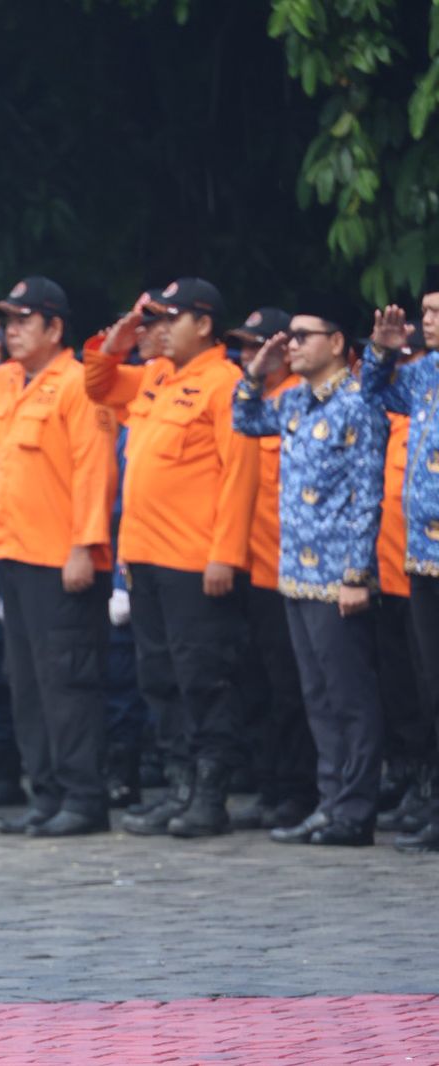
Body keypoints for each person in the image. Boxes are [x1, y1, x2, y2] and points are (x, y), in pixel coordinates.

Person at [0, 278, 116, 837]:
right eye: (6, 320)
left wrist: (86, 545)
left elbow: (95, 469)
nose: (10, 330)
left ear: (55, 328)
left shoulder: (78, 382)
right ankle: (47, 793)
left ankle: (84, 798)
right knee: (27, 681)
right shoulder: (0, 381)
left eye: (23, 320)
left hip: (62, 558)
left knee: (68, 681)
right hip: (10, 551)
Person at [86, 279, 259, 838]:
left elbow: (240, 477)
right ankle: (179, 787)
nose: (155, 331)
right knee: (158, 676)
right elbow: (99, 383)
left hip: (195, 559)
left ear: (203, 324)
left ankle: (209, 795)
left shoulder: (226, 383)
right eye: (152, 321)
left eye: (168, 319)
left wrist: (225, 555)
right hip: (145, 556)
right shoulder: (157, 376)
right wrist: (120, 337)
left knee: (202, 677)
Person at [235, 309, 387, 846]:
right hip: (295, 572)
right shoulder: (295, 400)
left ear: (337, 341)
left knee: (349, 696)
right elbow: (246, 420)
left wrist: (355, 573)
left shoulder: (359, 404)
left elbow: (368, 495)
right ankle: (330, 801)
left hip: (336, 576)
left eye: (303, 337)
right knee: (317, 695)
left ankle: (355, 808)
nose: (292, 345)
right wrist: (256, 371)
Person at [222, 309, 317, 830]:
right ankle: (270, 781)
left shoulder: (301, 404)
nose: (246, 355)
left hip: (295, 566)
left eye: (259, 346)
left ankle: (298, 788)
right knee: (255, 682)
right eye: (241, 346)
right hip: (253, 565)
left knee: (291, 688)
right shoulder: (255, 405)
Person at [360, 296, 439, 852]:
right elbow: (373, 394)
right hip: (422, 556)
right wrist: (381, 356)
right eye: (426, 311)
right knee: (431, 687)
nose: (427, 319)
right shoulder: (425, 373)